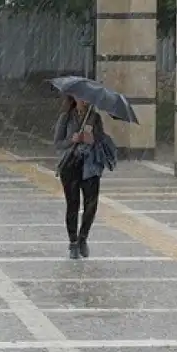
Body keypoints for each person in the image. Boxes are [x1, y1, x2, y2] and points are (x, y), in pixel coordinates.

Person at [53, 95, 116, 259]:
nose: (85, 101)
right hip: (71, 165)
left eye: (87, 99)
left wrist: (92, 139)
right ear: (74, 98)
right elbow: (57, 143)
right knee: (72, 205)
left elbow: (101, 140)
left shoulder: (94, 118)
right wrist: (71, 140)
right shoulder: (65, 117)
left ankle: (83, 238)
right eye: (81, 98)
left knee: (91, 206)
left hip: (90, 166)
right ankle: (73, 241)